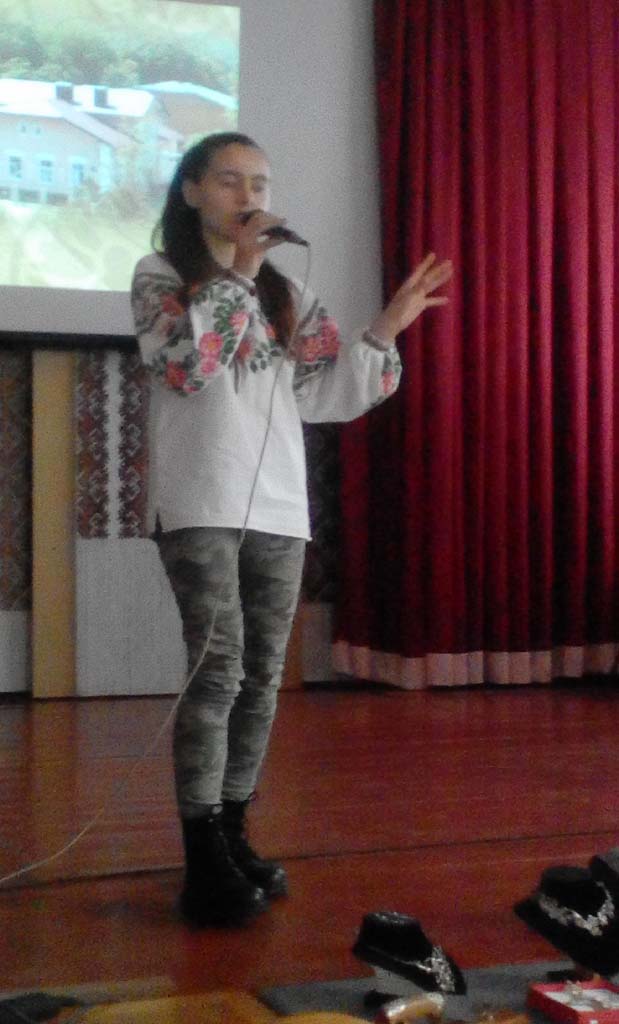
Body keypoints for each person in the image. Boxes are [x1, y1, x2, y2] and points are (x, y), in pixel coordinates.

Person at [130, 131, 452, 928]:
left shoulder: (287, 294)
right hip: (200, 501)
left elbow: (325, 394)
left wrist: (384, 329)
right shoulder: (160, 275)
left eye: (260, 183)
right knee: (217, 672)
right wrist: (240, 271)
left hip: (276, 503)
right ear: (191, 190)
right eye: (229, 180)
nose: (249, 196)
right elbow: (187, 367)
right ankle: (201, 854)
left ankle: (234, 831)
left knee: (261, 677)